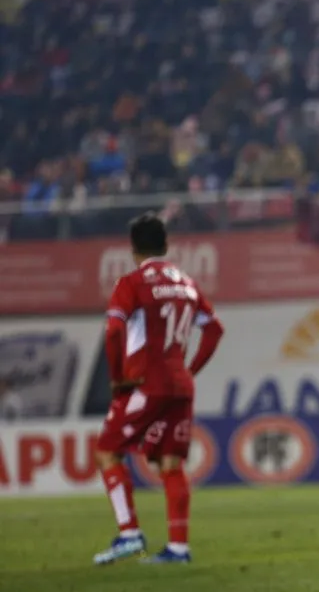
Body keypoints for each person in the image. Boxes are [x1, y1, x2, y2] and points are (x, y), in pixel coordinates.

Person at [94, 213, 224, 565]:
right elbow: (214, 330)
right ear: (166, 245)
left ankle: (129, 534)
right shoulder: (186, 283)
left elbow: (113, 330)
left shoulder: (132, 283)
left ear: (133, 248)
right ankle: (178, 549)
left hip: (145, 383)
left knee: (107, 451)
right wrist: (189, 369)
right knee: (170, 463)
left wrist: (117, 376)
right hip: (180, 385)